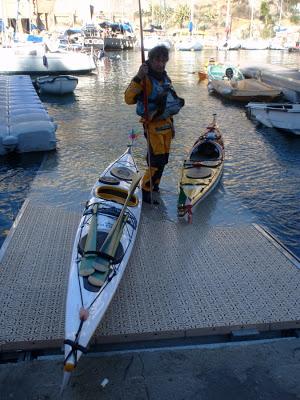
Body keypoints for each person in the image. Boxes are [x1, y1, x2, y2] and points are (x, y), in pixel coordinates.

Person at [124, 45, 184, 203]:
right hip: (152, 127)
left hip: (166, 126)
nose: (161, 64)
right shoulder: (144, 78)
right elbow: (128, 98)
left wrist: (173, 126)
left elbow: (169, 104)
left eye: (164, 60)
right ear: (150, 60)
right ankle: (145, 191)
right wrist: (138, 77)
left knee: (164, 159)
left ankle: (155, 185)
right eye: (157, 60)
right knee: (155, 160)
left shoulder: (165, 78)